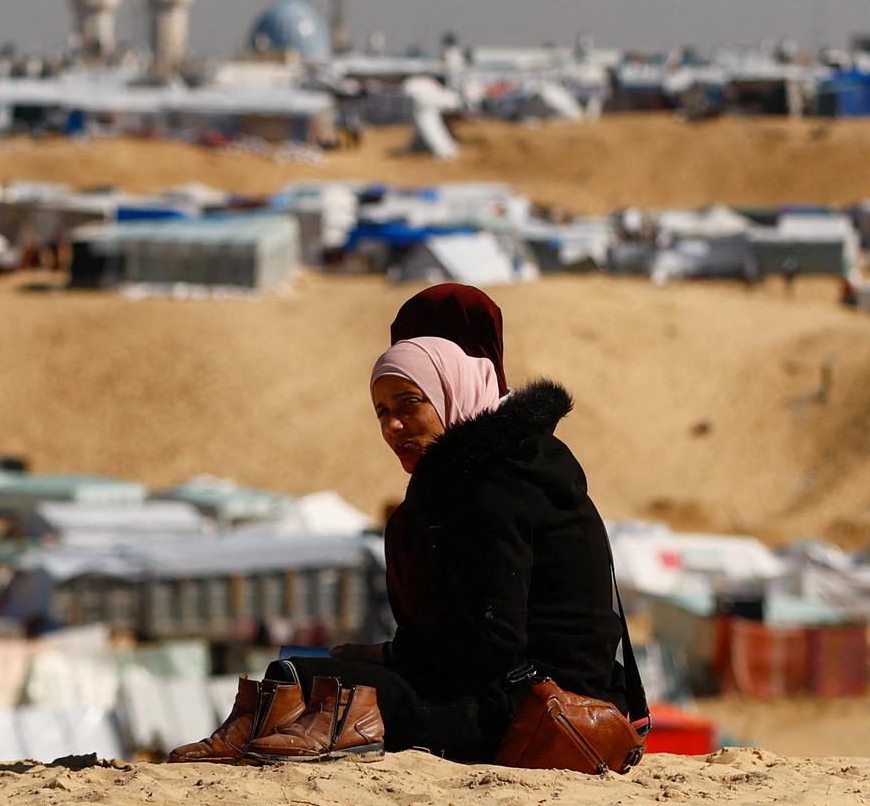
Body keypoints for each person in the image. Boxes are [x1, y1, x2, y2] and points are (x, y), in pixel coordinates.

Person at [170, 286, 641, 765]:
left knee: (314, 676)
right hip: (504, 687)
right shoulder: (480, 476)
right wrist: (384, 655)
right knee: (298, 669)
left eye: (408, 404)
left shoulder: (496, 485)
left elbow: (493, 644)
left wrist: (392, 661)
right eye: (381, 412)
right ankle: (248, 740)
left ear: (451, 391)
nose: (392, 426)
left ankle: (275, 740)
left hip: (532, 706)